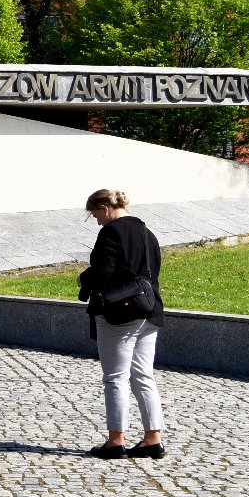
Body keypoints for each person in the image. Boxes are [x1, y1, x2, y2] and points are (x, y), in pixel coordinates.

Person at [77, 188, 166, 460]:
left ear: (105, 207)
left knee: (115, 377)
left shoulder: (111, 232)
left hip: (119, 314)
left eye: (95, 214)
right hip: (148, 311)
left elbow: (103, 273)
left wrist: (84, 279)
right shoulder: (147, 233)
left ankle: (116, 441)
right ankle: (153, 438)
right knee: (144, 376)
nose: (97, 221)